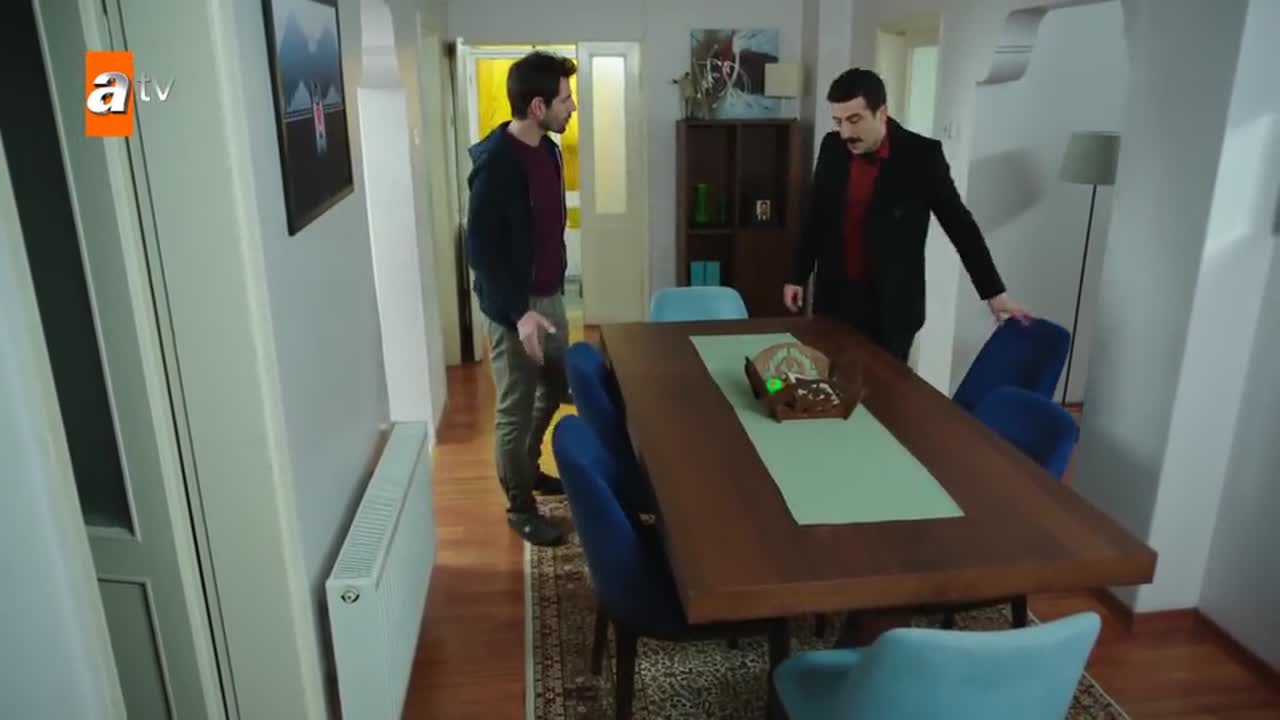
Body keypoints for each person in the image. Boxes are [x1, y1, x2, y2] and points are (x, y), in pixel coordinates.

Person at [783, 68, 1032, 361]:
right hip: (835, 298)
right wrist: (797, 276)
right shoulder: (831, 147)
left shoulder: (922, 156)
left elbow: (961, 227)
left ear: (882, 112)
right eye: (839, 122)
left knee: (883, 387)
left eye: (854, 120)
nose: (846, 133)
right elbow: (816, 217)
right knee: (828, 379)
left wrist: (995, 294)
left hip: (892, 305)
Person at [465, 51, 577, 547]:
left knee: (554, 388)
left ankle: (527, 469)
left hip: (551, 297)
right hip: (515, 308)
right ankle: (519, 504)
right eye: (564, 99)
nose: (571, 107)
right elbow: (480, 253)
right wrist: (519, 314)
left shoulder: (549, 151)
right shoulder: (497, 165)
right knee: (515, 407)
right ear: (537, 107)